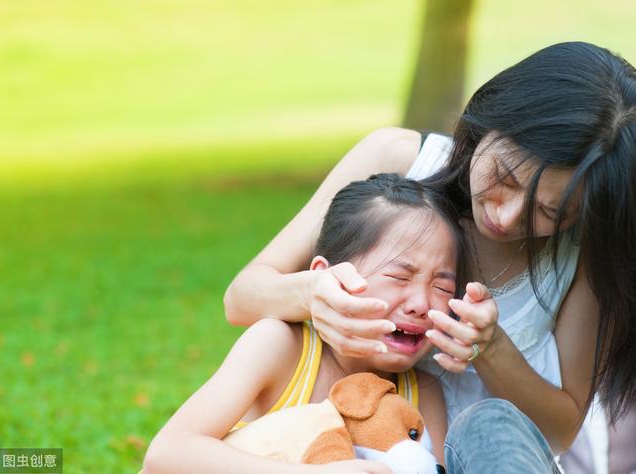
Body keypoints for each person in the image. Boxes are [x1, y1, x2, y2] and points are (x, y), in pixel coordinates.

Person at [223, 41, 636, 472]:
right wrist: (313, 293)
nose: (507, 216)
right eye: (504, 177)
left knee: (487, 425)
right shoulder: (398, 161)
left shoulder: (580, 256)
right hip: (340, 454)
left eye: (549, 212)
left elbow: (560, 432)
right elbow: (243, 296)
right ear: (490, 120)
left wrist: (491, 349)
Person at [143, 173, 486, 473]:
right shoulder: (280, 347)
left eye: (442, 286)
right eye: (398, 276)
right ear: (327, 277)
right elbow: (167, 454)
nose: (421, 304)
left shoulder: (421, 391)